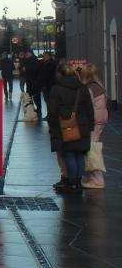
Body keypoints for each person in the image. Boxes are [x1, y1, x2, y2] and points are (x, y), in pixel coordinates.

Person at [47, 63, 94, 193]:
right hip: (82, 125)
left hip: (65, 126)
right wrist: (90, 125)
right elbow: (89, 108)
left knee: (69, 153)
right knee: (80, 154)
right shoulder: (82, 88)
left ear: (60, 74)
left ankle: (72, 180)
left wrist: (53, 126)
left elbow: (52, 111)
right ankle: (78, 180)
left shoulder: (56, 89)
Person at [81, 64, 109, 189]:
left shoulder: (89, 88)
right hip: (101, 119)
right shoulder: (99, 87)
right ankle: (91, 177)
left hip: (93, 121)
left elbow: (87, 106)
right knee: (94, 147)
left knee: (93, 149)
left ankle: (97, 179)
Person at [23, 51, 44, 119]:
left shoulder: (34, 60)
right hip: (30, 82)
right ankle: (32, 109)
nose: (26, 54)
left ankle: (38, 110)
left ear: (31, 54)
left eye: (27, 53)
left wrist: (26, 68)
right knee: (31, 97)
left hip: (34, 82)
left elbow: (35, 69)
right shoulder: (28, 60)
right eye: (26, 54)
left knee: (36, 97)